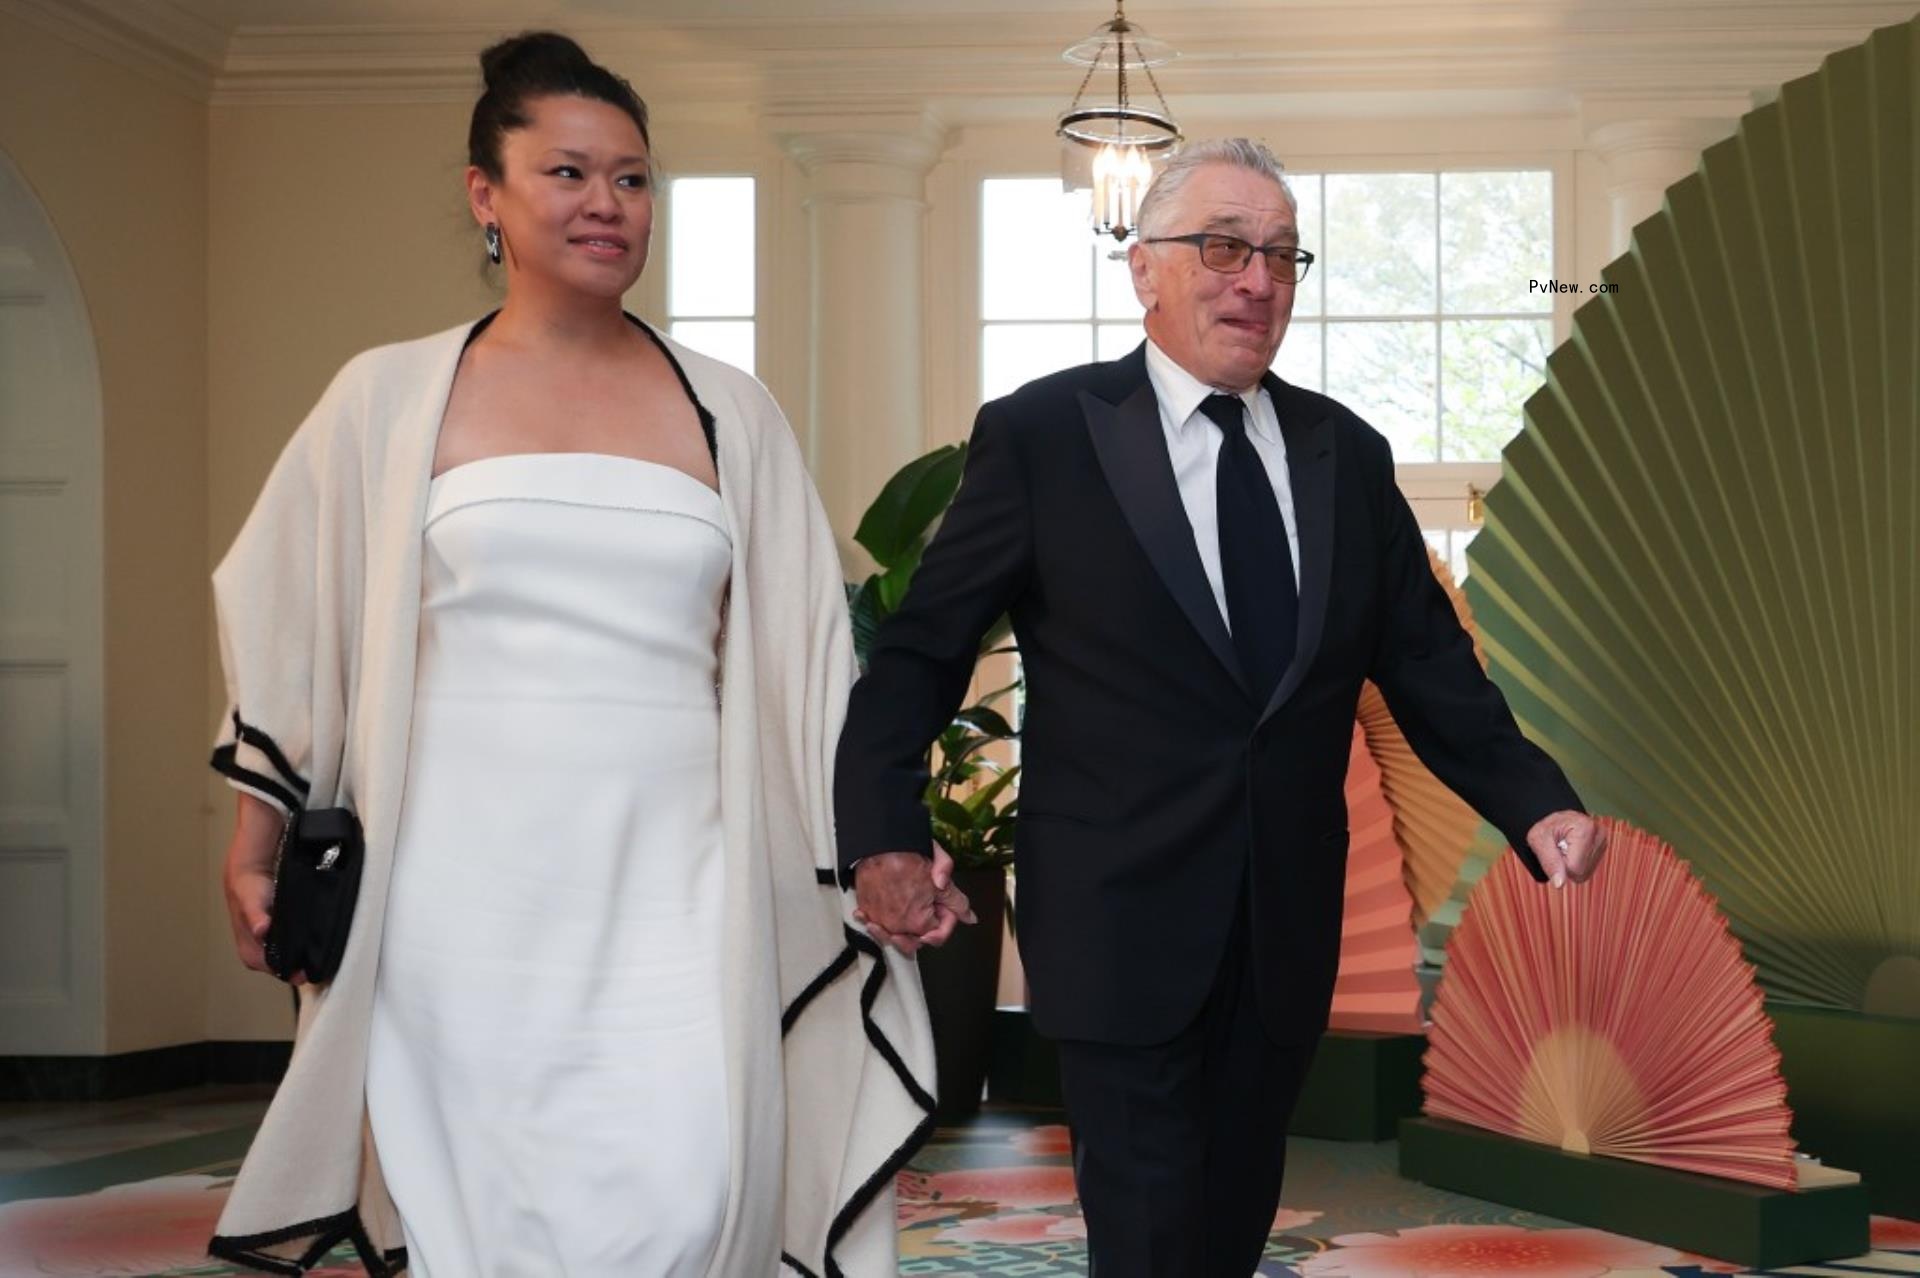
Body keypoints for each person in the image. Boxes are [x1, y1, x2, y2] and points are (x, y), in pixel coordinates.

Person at [209, 32, 932, 1278]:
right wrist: (255, 842)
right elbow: (292, 619)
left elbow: (811, 664)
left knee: (691, 1186)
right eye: (569, 173)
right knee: (476, 1213)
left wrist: (879, 844)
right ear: (485, 195)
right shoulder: (386, 400)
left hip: (678, 885)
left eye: (634, 178)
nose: (608, 205)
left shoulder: (731, 411)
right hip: (456, 897)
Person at [834, 137, 1608, 1277]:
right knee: (1147, 1229)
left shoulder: (1346, 455)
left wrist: (1534, 803)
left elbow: (1433, 669)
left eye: (1283, 256)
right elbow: (920, 650)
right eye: (1224, 248)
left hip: (1284, 924)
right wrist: (883, 834)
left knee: (1229, 1223)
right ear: (1144, 268)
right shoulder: (1045, 437)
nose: (1257, 279)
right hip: (1114, 914)